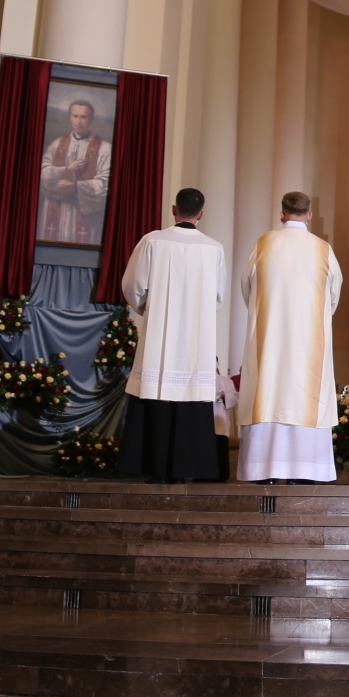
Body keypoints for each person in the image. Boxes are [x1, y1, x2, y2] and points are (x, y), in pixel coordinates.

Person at [118, 187, 226, 484]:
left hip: (159, 336)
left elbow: (132, 285)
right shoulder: (213, 248)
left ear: (173, 209)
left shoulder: (153, 241)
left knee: (156, 391)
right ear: (201, 214)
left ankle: (154, 467)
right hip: (196, 338)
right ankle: (186, 468)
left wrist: (148, 309)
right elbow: (218, 298)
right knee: (191, 393)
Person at [237, 191, 343, 485]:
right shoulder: (323, 249)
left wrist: (265, 312)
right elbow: (333, 297)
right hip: (309, 346)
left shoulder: (263, 244)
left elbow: (247, 290)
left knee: (269, 392)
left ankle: (265, 471)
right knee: (304, 396)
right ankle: (305, 471)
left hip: (269, 341)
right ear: (309, 216)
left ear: (281, 214)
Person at [39, 99, 112, 244]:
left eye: (83, 117)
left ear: (91, 119)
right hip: (56, 211)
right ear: (69, 117)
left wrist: (76, 188)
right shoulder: (57, 144)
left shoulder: (104, 148)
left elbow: (106, 183)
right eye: (75, 116)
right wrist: (66, 169)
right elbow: (41, 173)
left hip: (84, 214)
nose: (79, 121)